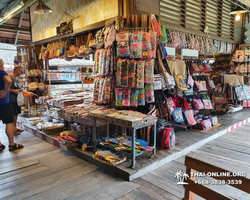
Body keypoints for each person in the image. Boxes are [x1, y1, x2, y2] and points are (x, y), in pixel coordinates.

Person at [0, 59, 23, 151]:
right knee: (9, 123)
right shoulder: (1, 72)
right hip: (3, 102)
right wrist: (5, 90)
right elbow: (8, 80)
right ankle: (11, 144)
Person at [9, 66, 33, 135]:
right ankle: (12, 129)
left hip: (17, 99)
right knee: (13, 114)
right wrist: (13, 91)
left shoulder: (17, 79)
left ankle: (15, 127)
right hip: (12, 99)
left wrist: (28, 92)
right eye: (21, 72)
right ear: (16, 70)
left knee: (16, 114)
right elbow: (6, 89)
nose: (21, 73)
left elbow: (20, 88)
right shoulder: (10, 78)